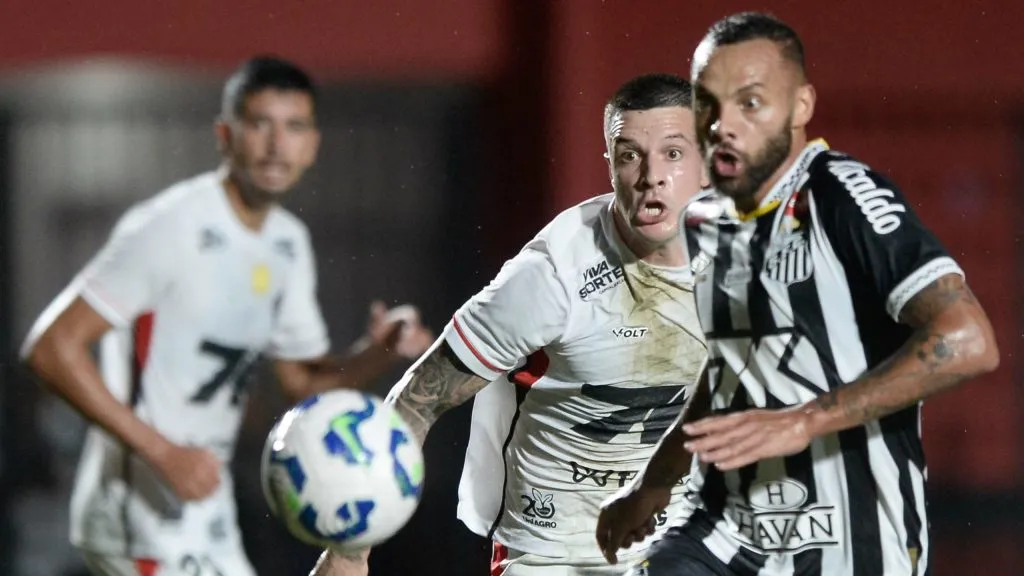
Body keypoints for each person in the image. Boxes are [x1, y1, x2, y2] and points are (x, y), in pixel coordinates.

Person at [596, 12, 1000, 576]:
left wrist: (802, 421)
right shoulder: (705, 220)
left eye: (752, 103)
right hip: (729, 526)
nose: (724, 125)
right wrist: (656, 482)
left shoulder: (841, 195)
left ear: (801, 107)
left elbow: (968, 339)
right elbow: (732, 369)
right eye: (709, 105)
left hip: (851, 535)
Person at [19, 56, 434, 576]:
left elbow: (301, 384)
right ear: (225, 135)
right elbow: (51, 348)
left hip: (204, 508)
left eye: (294, 126)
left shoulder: (287, 244)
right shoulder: (170, 227)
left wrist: (379, 352)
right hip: (140, 513)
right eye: (259, 124)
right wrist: (164, 453)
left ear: (313, 144)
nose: (276, 145)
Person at [311, 73, 710, 576]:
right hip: (553, 554)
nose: (651, 175)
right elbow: (420, 398)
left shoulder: (746, 263)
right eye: (629, 155)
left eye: (673, 154)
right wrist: (350, 550)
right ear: (609, 168)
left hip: (675, 544)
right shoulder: (554, 276)